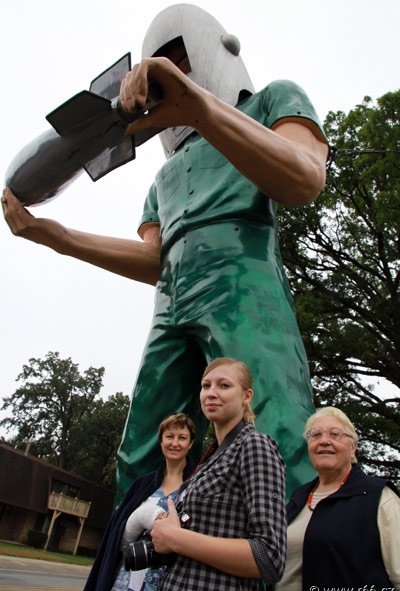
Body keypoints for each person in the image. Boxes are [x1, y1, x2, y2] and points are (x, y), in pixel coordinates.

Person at [1, 4, 330, 503]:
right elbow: (155, 260)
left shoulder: (273, 100)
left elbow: (305, 177)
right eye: (163, 65)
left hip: (244, 279)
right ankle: (132, 546)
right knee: (144, 442)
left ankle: (292, 547)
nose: (173, 75)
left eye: (183, 59)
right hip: (170, 299)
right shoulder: (164, 177)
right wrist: (57, 236)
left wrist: (201, 108)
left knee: (273, 417)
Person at [150, 357, 286, 591]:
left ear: (246, 396)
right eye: (206, 385)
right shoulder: (212, 457)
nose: (211, 393)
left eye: (224, 385)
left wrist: (176, 538)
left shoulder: (254, 445)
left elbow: (268, 558)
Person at [274, 406, 400, 591]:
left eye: (335, 434)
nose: (324, 441)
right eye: (315, 435)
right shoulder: (297, 499)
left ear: (353, 448)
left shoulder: (378, 496)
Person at [80, 412, 196, 591]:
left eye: (182, 438)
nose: (175, 443)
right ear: (161, 441)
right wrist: (145, 517)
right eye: (169, 436)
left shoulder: (195, 487)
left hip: (167, 587)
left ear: (190, 444)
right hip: (125, 585)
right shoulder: (142, 485)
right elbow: (118, 539)